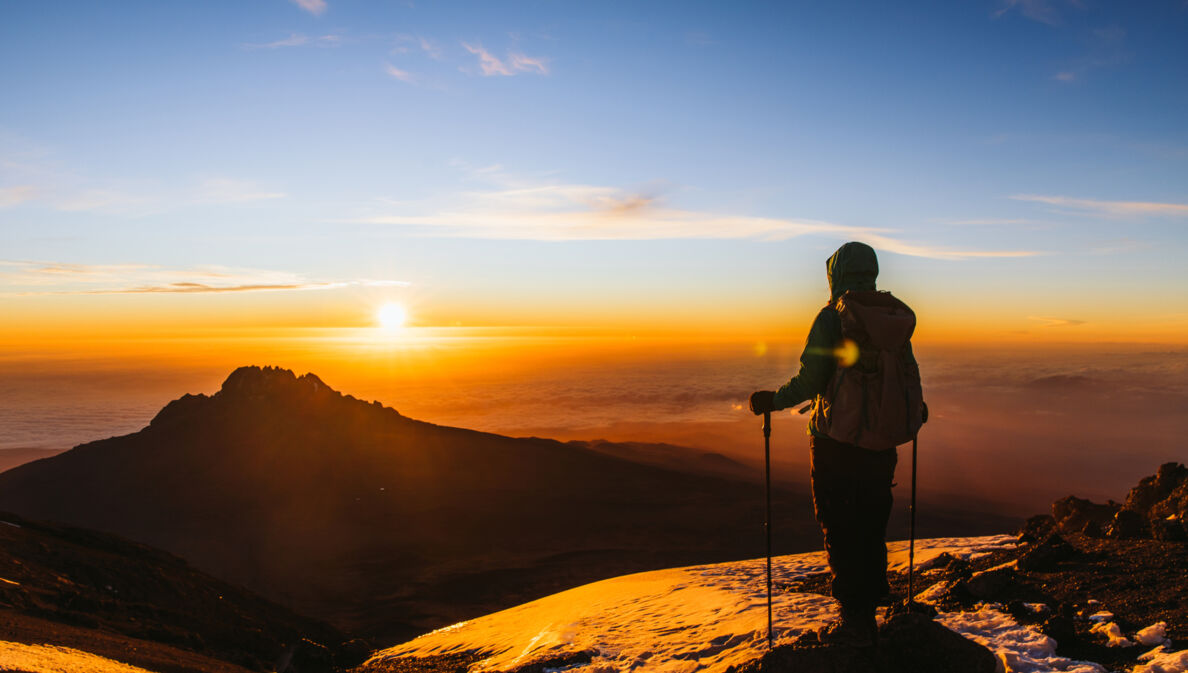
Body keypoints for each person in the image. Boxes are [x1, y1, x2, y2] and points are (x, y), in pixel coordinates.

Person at [748, 241, 925, 647]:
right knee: (871, 519)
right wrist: (915, 412)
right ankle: (872, 601)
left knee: (839, 523)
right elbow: (906, 375)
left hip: (835, 443)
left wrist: (772, 401)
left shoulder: (833, 318)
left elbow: (811, 379)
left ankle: (855, 621)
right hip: (883, 441)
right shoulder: (893, 319)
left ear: (835, 275)